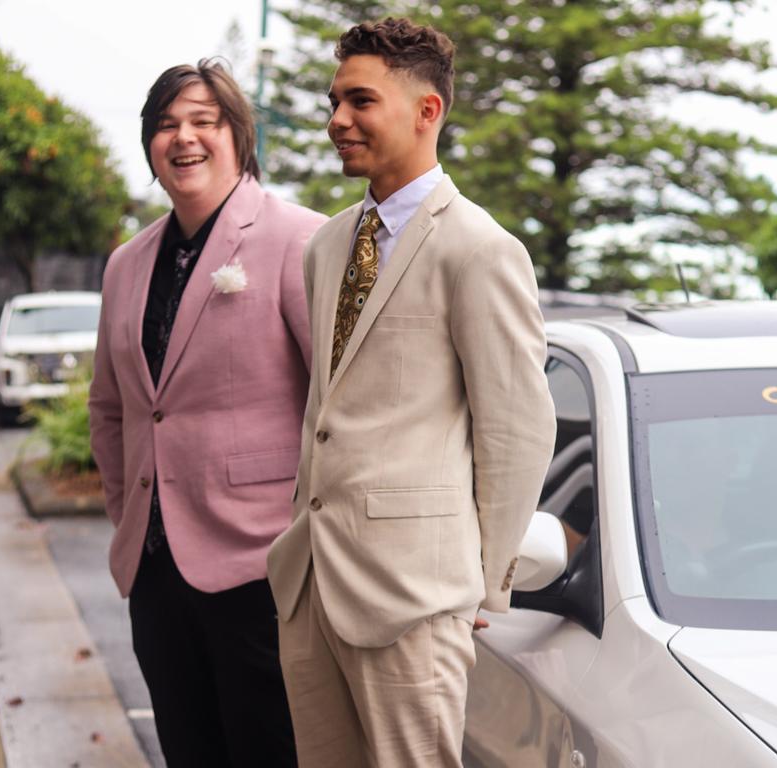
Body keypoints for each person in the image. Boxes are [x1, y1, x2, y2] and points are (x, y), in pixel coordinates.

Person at [266, 17, 556, 767]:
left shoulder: (481, 248)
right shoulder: (327, 245)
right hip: (312, 583)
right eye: (334, 101)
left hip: (414, 599)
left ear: (428, 110)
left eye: (360, 101)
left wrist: (478, 588)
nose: (337, 120)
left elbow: (516, 433)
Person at [88, 59, 325, 767]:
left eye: (202, 121)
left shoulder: (299, 239)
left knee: (270, 752)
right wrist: (127, 510)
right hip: (155, 570)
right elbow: (113, 407)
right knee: (188, 751)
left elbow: (338, 406)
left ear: (237, 136)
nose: (182, 138)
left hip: (262, 565)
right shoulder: (126, 263)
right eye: (165, 126)